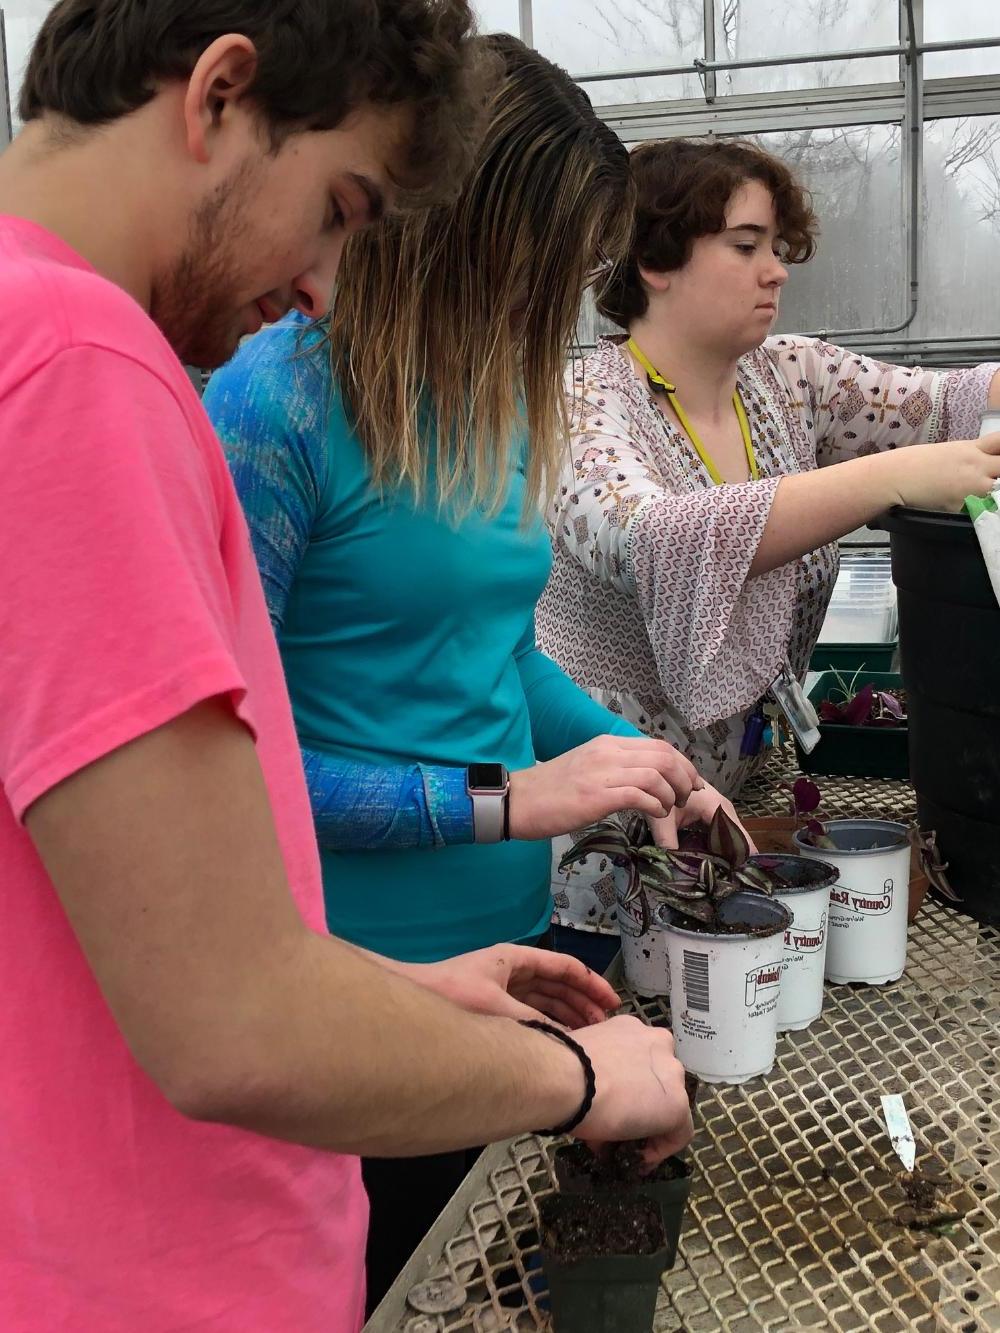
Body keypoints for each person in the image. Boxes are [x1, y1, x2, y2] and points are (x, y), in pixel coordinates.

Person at [0, 8, 694, 1331]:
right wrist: (581, 1077)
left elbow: (145, 922)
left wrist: (405, 991)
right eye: (341, 206)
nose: (325, 281)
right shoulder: (82, 370)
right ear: (217, 96)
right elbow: (233, 1024)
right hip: (169, 1276)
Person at [205, 36, 731, 1308]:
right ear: (455, 231)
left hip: (505, 948)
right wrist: (510, 797)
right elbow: (237, 771)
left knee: (487, 1271)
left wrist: (631, 755)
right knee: (383, 1285)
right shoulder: (275, 404)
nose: (558, 308)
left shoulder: (497, 395)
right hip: (353, 978)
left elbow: (497, 653)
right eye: (546, 269)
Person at [537, 135, 1000, 945]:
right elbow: (650, 539)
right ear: (656, 259)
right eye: (746, 245)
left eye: (777, 249)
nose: (776, 270)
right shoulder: (582, 402)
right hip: (607, 832)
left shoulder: (786, 379)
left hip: (732, 809)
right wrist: (884, 481)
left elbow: (942, 399)